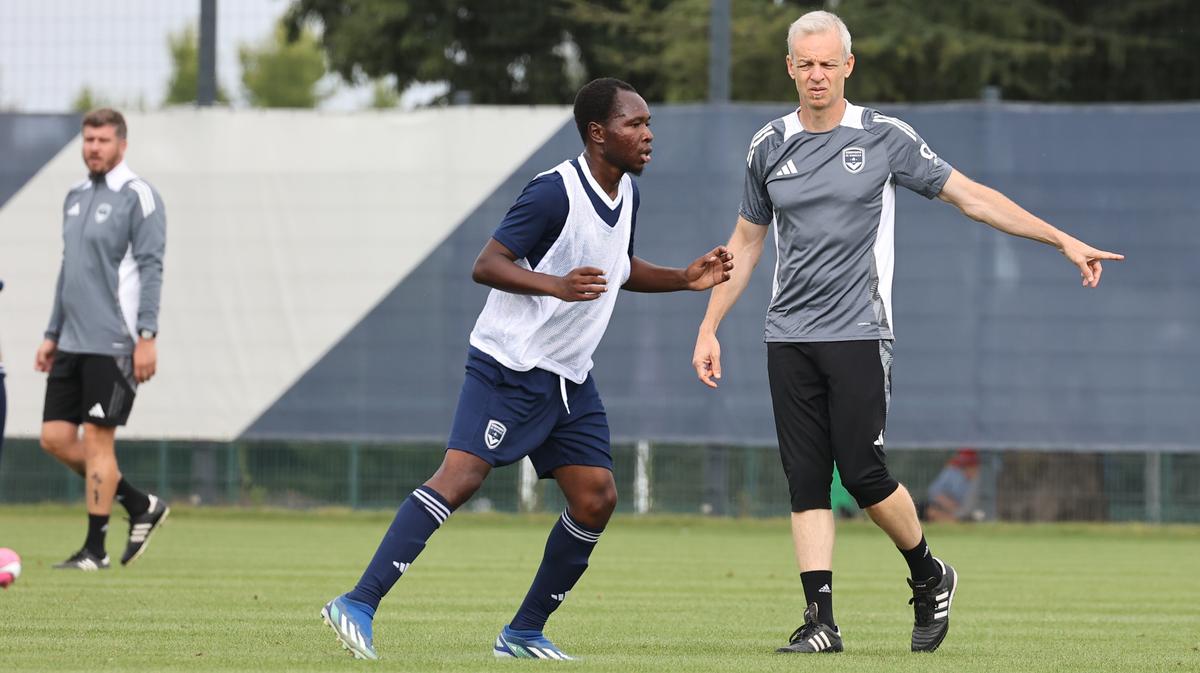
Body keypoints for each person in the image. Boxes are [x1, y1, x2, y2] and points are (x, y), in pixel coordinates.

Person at [691, 11, 1123, 655]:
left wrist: (1061, 239)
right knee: (806, 478)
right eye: (804, 63)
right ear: (790, 68)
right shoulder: (766, 145)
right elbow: (746, 244)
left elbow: (971, 196)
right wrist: (709, 326)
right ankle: (820, 623)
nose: (816, 74)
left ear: (847, 66)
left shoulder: (885, 138)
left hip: (861, 332)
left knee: (863, 475)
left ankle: (928, 572)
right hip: (787, 335)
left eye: (827, 63)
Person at [320, 77, 734, 661]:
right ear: (598, 133)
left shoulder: (628, 195)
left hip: (568, 376)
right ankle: (357, 602)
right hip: (508, 365)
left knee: (596, 498)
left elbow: (615, 268)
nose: (648, 135)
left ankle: (522, 633)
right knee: (460, 478)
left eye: (648, 124)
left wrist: (684, 279)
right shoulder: (553, 192)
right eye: (634, 125)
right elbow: (486, 264)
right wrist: (554, 286)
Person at [35, 109, 170, 571]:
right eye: (88, 139)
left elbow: (151, 268)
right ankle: (138, 503)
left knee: (97, 443)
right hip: (71, 341)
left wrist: (147, 336)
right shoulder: (74, 196)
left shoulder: (140, 197)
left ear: (122, 145)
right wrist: (52, 333)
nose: (94, 147)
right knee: (54, 438)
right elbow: (68, 270)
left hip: (114, 341)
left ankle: (95, 550)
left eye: (103, 140)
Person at [919, 449, 982, 523]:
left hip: (964, 515)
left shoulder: (978, 480)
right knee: (930, 510)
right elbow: (933, 491)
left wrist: (957, 512)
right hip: (944, 509)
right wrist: (951, 506)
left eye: (971, 464)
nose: (969, 467)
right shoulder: (952, 471)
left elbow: (968, 509)